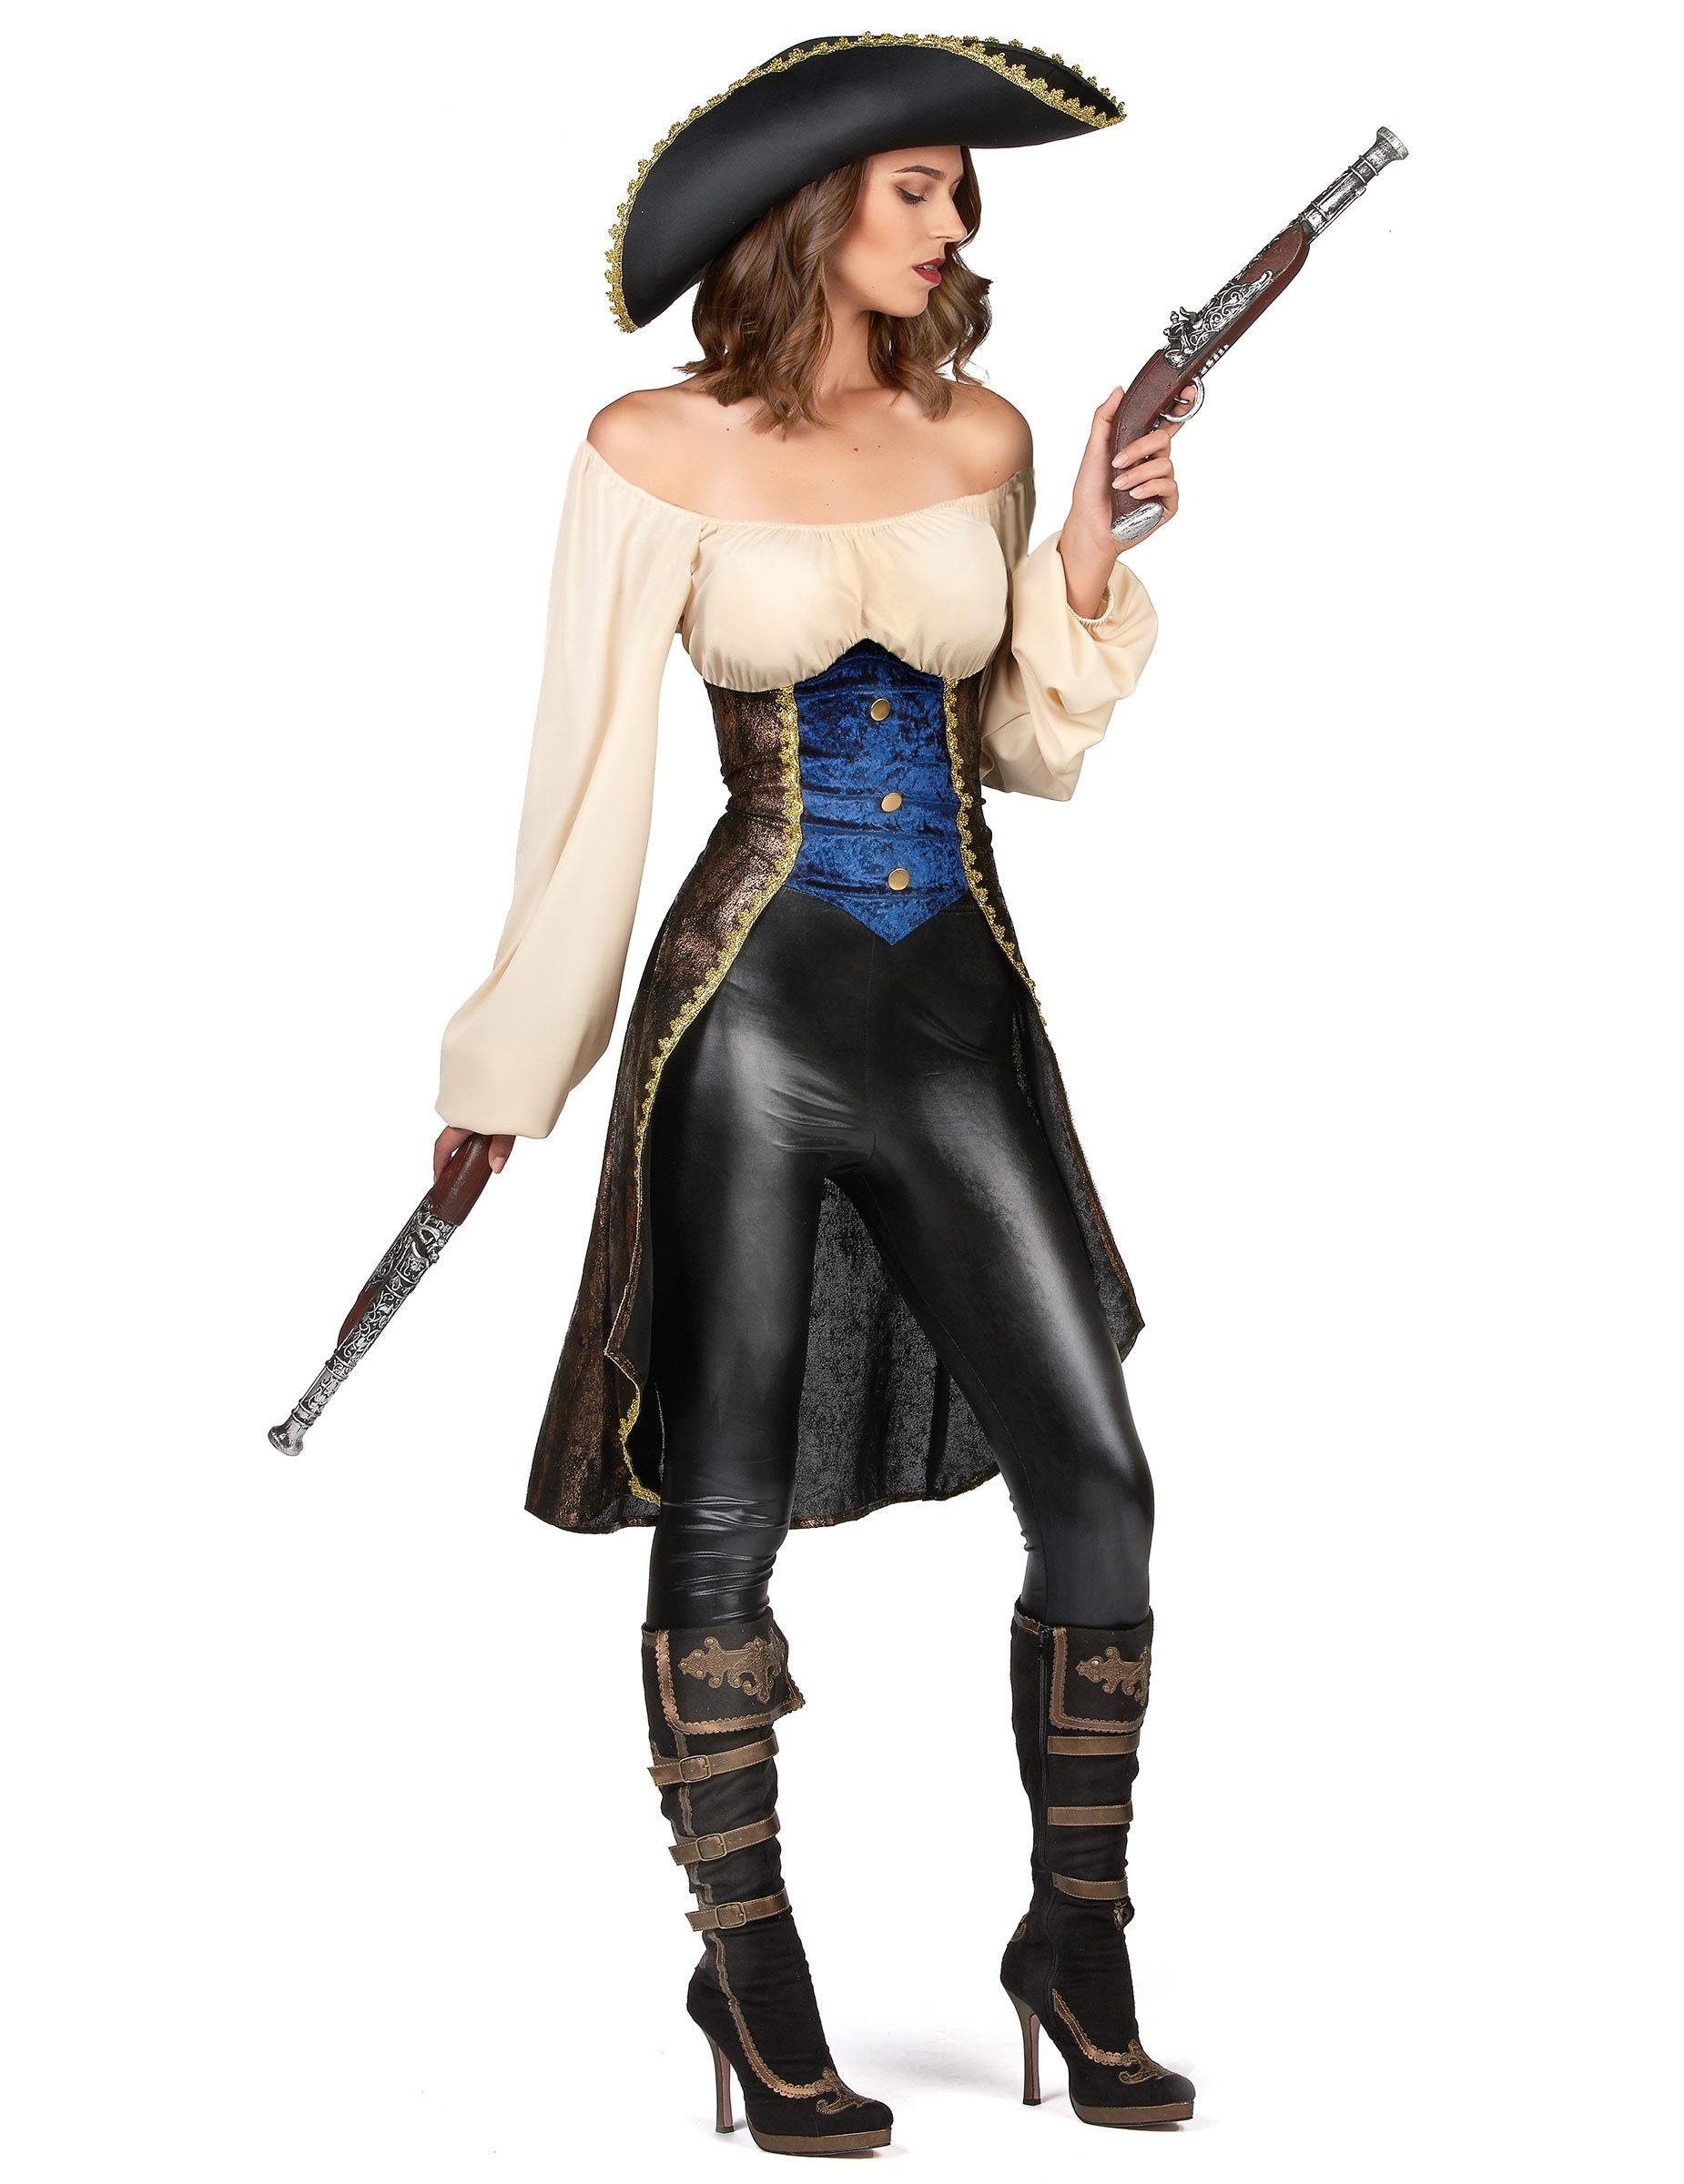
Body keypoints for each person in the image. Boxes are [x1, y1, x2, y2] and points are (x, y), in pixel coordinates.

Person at [430, 35, 1195, 2155]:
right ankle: (749, 1972)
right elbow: (587, 778)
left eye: (957, 191)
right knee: (724, 1503)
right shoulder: (649, 445)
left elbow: (1021, 747)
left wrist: (1088, 548)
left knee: (1101, 1481)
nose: (957, 223)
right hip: (748, 1021)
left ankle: (1077, 1940)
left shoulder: (982, 432)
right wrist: (508, 1067)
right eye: (920, 187)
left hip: (958, 1019)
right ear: (814, 208)